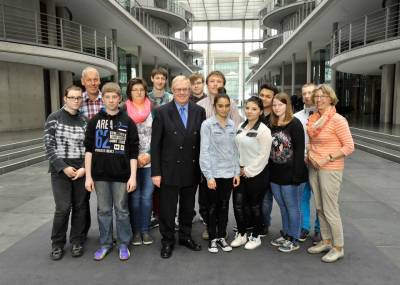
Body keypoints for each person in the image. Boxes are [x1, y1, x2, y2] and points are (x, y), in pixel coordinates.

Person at [151, 75, 206, 259]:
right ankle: (167, 241)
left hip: (191, 167)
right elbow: (155, 145)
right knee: (167, 209)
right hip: (168, 169)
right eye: (178, 89)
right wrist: (156, 172)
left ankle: (185, 236)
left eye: (185, 89)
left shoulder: (199, 111)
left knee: (188, 208)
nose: (182, 92)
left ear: (190, 90)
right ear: (172, 91)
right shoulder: (161, 112)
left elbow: (201, 143)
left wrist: (203, 169)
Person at [84, 82, 139, 261]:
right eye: (107, 96)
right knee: (104, 211)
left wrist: (132, 176)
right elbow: (89, 150)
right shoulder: (94, 121)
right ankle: (106, 243)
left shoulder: (127, 121)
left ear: (119, 99)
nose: (111, 100)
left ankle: (124, 243)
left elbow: (133, 152)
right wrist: (88, 176)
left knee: (122, 210)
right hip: (100, 176)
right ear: (103, 99)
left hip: (122, 176)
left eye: (114, 97)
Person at [307, 84, 354, 263]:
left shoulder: (338, 120)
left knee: (330, 208)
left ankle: (338, 247)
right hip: (314, 166)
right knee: (319, 206)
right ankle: (326, 241)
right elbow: (311, 143)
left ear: (331, 98)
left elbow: (349, 146)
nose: (319, 99)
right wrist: (311, 155)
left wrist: (326, 158)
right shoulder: (313, 119)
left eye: (323, 96)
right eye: (317, 96)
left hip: (330, 168)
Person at [197, 70, 243, 240]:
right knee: (205, 198)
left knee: (222, 200)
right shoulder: (200, 105)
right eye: (212, 81)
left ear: (223, 84)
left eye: (218, 81)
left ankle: (218, 230)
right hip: (207, 157)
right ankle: (209, 226)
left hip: (225, 160)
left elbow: (237, 129)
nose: (215, 84)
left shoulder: (231, 105)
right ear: (207, 84)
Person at [44, 85, 88, 261]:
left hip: (81, 170)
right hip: (60, 171)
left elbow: (89, 148)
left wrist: (84, 167)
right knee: (63, 208)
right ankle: (57, 244)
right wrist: (63, 167)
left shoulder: (85, 121)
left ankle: (77, 241)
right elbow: (48, 146)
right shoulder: (54, 118)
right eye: (72, 97)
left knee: (80, 207)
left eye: (79, 98)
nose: (76, 101)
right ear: (65, 98)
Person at [231, 96, 272, 250]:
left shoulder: (263, 130)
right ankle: (242, 234)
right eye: (247, 108)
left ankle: (256, 236)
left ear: (260, 111)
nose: (249, 111)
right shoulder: (241, 126)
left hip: (257, 174)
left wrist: (247, 171)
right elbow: (235, 149)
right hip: (239, 172)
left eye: (254, 109)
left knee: (255, 206)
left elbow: (263, 156)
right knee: (238, 204)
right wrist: (237, 169)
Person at [269, 92, 308, 253]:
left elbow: (299, 151)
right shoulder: (272, 123)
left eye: (280, 104)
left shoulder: (295, 123)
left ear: (287, 106)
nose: (277, 108)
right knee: (283, 207)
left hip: (292, 175)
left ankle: (294, 238)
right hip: (275, 174)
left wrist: (297, 176)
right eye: (275, 105)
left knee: (293, 207)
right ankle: (286, 234)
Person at [123, 78, 154, 246]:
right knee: (134, 197)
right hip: (130, 160)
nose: (139, 92)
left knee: (147, 197)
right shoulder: (123, 109)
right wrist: (134, 157)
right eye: (135, 89)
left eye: (141, 89)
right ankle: (135, 231)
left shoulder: (154, 108)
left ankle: (145, 230)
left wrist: (149, 154)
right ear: (130, 92)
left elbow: (159, 134)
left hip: (150, 159)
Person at [294, 83, 321, 243]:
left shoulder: (326, 116)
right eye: (304, 93)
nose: (306, 96)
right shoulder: (297, 117)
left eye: (310, 92)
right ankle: (304, 227)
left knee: (319, 199)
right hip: (302, 164)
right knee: (302, 197)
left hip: (320, 164)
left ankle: (319, 229)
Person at [79, 66, 103, 239]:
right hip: (83, 156)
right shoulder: (78, 101)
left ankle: (106, 234)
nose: (93, 83)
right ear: (83, 82)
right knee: (82, 200)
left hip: (105, 157)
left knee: (104, 201)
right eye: (89, 80)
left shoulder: (109, 99)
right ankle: (81, 233)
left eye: (96, 79)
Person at [148, 67, 172, 229]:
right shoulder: (145, 97)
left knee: (164, 182)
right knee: (150, 182)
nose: (160, 81)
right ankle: (150, 214)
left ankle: (164, 214)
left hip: (167, 142)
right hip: (147, 141)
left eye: (163, 78)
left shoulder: (170, 97)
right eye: (157, 78)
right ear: (152, 79)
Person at [258, 83, 279, 236]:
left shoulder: (277, 118)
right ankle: (257, 223)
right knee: (256, 197)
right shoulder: (255, 114)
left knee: (266, 199)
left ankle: (265, 223)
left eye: (268, 96)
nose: (264, 99)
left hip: (273, 164)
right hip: (256, 163)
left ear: (273, 99)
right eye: (262, 95)